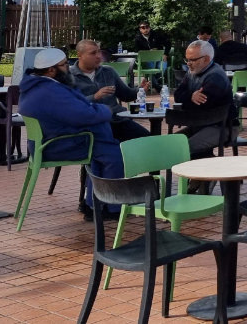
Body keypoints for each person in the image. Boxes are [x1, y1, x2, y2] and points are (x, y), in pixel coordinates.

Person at [18, 48, 123, 220]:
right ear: (51, 70)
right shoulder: (50, 91)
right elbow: (83, 115)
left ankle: (95, 203)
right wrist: (106, 110)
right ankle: (110, 208)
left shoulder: (34, 85)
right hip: (58, 144)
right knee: (114, 154)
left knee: (102, 148)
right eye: (65, 64)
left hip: (46, 142)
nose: (68, 67)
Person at [68, 39, 150, 142]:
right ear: (79, 55)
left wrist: (140, 90)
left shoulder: (108, 71)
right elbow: (71, 107)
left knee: (148, 140)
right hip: (92, 126)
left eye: (98, 52)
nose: (98, 56)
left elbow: (126, 95)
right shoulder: (69, 77)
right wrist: (95, 97)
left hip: (118, 121)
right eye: (93, 53)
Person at [174, 39, 237, 158]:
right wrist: (191, 96)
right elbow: (177, 95)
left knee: (185, 148)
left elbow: (201, 106)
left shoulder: (215, 76)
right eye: (187, 59)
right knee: (170, 144)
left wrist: (187, 99)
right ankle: (197, 175)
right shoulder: (192, 72)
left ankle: (211, 173)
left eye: (192, 60)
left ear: (206, 59)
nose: (188, 63)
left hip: (222, 127)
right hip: (200, 123)